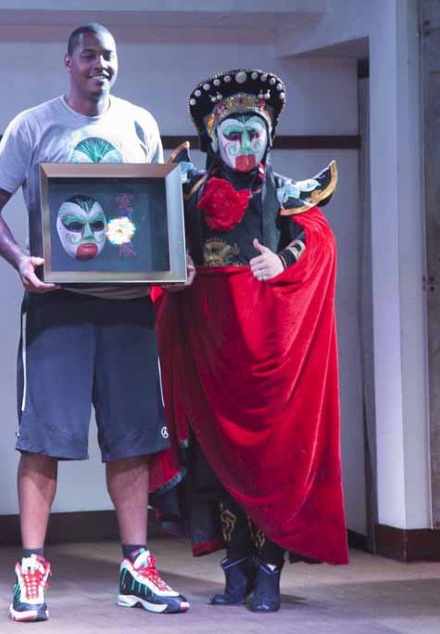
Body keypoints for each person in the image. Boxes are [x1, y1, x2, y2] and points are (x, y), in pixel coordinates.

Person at [0, 23, 193, 621]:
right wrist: (19, 259)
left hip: (128, 305)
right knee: (42, 437)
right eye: (89, 55)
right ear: (68, 62)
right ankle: (31, 567)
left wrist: (174, 260)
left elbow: (154, 210)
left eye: (108, 56)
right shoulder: (33, 126)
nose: (100, 64)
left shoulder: (140, 124)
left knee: (133, 438)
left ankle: (136, 567)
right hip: (58, 306)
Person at [152, 69, 348, 613]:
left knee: (270, 462)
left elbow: (318, 242)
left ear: (269, 137)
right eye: (232, 134)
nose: (243, 145)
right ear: (213, 137)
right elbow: (163, 245)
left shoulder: (284, 193)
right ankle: (235, 569)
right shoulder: (190, 192)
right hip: (211, 348)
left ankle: (268, 573)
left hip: (269, 349)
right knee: (216, 465)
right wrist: (179, 266)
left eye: (253, 134)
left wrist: (282, 262)